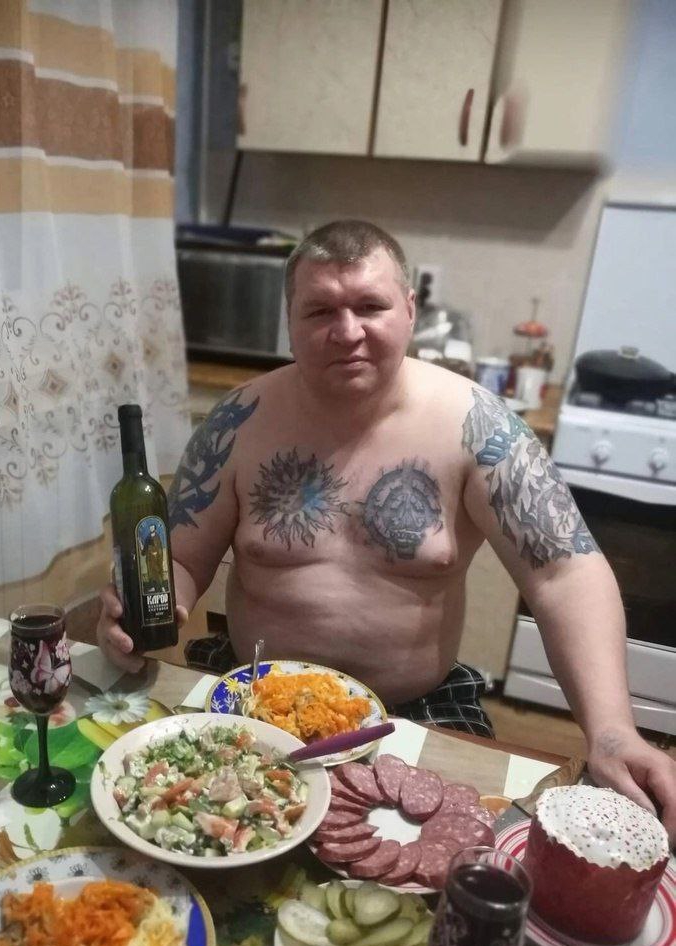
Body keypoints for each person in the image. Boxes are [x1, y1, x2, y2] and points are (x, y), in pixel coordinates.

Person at [98, 219, 676, 842]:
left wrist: (611, 730)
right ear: (289, 320)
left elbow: (565, 574)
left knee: (445, 870)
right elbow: (180, 560)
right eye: (320, 310)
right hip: (252, 702)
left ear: (409, 310)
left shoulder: (477, 426)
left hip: (414, 715)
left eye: (370, 306)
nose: (347, 331)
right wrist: (143, 609)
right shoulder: (237, 422)